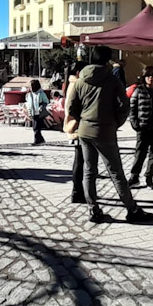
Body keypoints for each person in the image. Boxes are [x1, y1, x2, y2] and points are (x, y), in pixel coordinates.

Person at [66, 46, 153, 224]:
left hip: (84, 130)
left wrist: (82, 118)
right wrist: (115, 122)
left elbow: (71, 107)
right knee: (116, 173)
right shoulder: (113, 80)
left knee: (89, 171)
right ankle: (132, 209)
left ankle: (93, 209)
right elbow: (124, 106)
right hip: (105, 129)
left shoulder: (80, 80)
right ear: (107, 60)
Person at [65, 61, 88, 204]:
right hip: (78, 127)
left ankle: (78, 191)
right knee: (80, 161)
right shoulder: (76, 84)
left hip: (76, 126)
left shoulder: (73, 83)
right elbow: (72, 107)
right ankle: (77, 191)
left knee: (80, 160)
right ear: (79, 72)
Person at [25, 78, 50, 145]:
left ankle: (36, 141)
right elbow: (28, 103)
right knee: (35, 128)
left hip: (39, 113)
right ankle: (41, 139)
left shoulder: (41, 94)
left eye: (31, 86)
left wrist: (42, 106)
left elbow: (46, 101)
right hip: (33, 113)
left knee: (36, 128)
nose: (30, 88)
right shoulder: (30, 94)